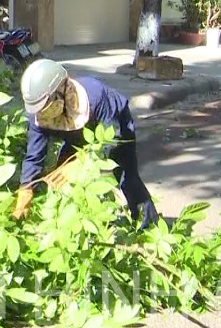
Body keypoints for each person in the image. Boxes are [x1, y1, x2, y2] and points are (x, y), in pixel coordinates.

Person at [12, 59, 159, 229]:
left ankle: (149, 225)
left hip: (113, 128)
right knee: (62, 178)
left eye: (45, 106)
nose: (42, 112)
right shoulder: (38, 115)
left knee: (126, 176)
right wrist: (26, 188)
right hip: (76, 134)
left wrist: (81, 163)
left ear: (60, 91)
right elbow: (34, 156)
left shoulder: (96, 96)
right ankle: (78, 226)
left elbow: (110, 141)